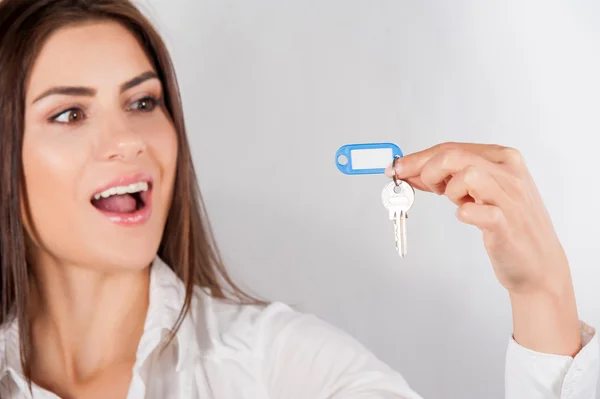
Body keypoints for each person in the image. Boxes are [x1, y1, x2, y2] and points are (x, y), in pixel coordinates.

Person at [0, 0, 597, 398]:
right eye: (70, 113)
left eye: (143, 102)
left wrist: (542, 292)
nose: (128, 141)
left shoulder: (284, 367)